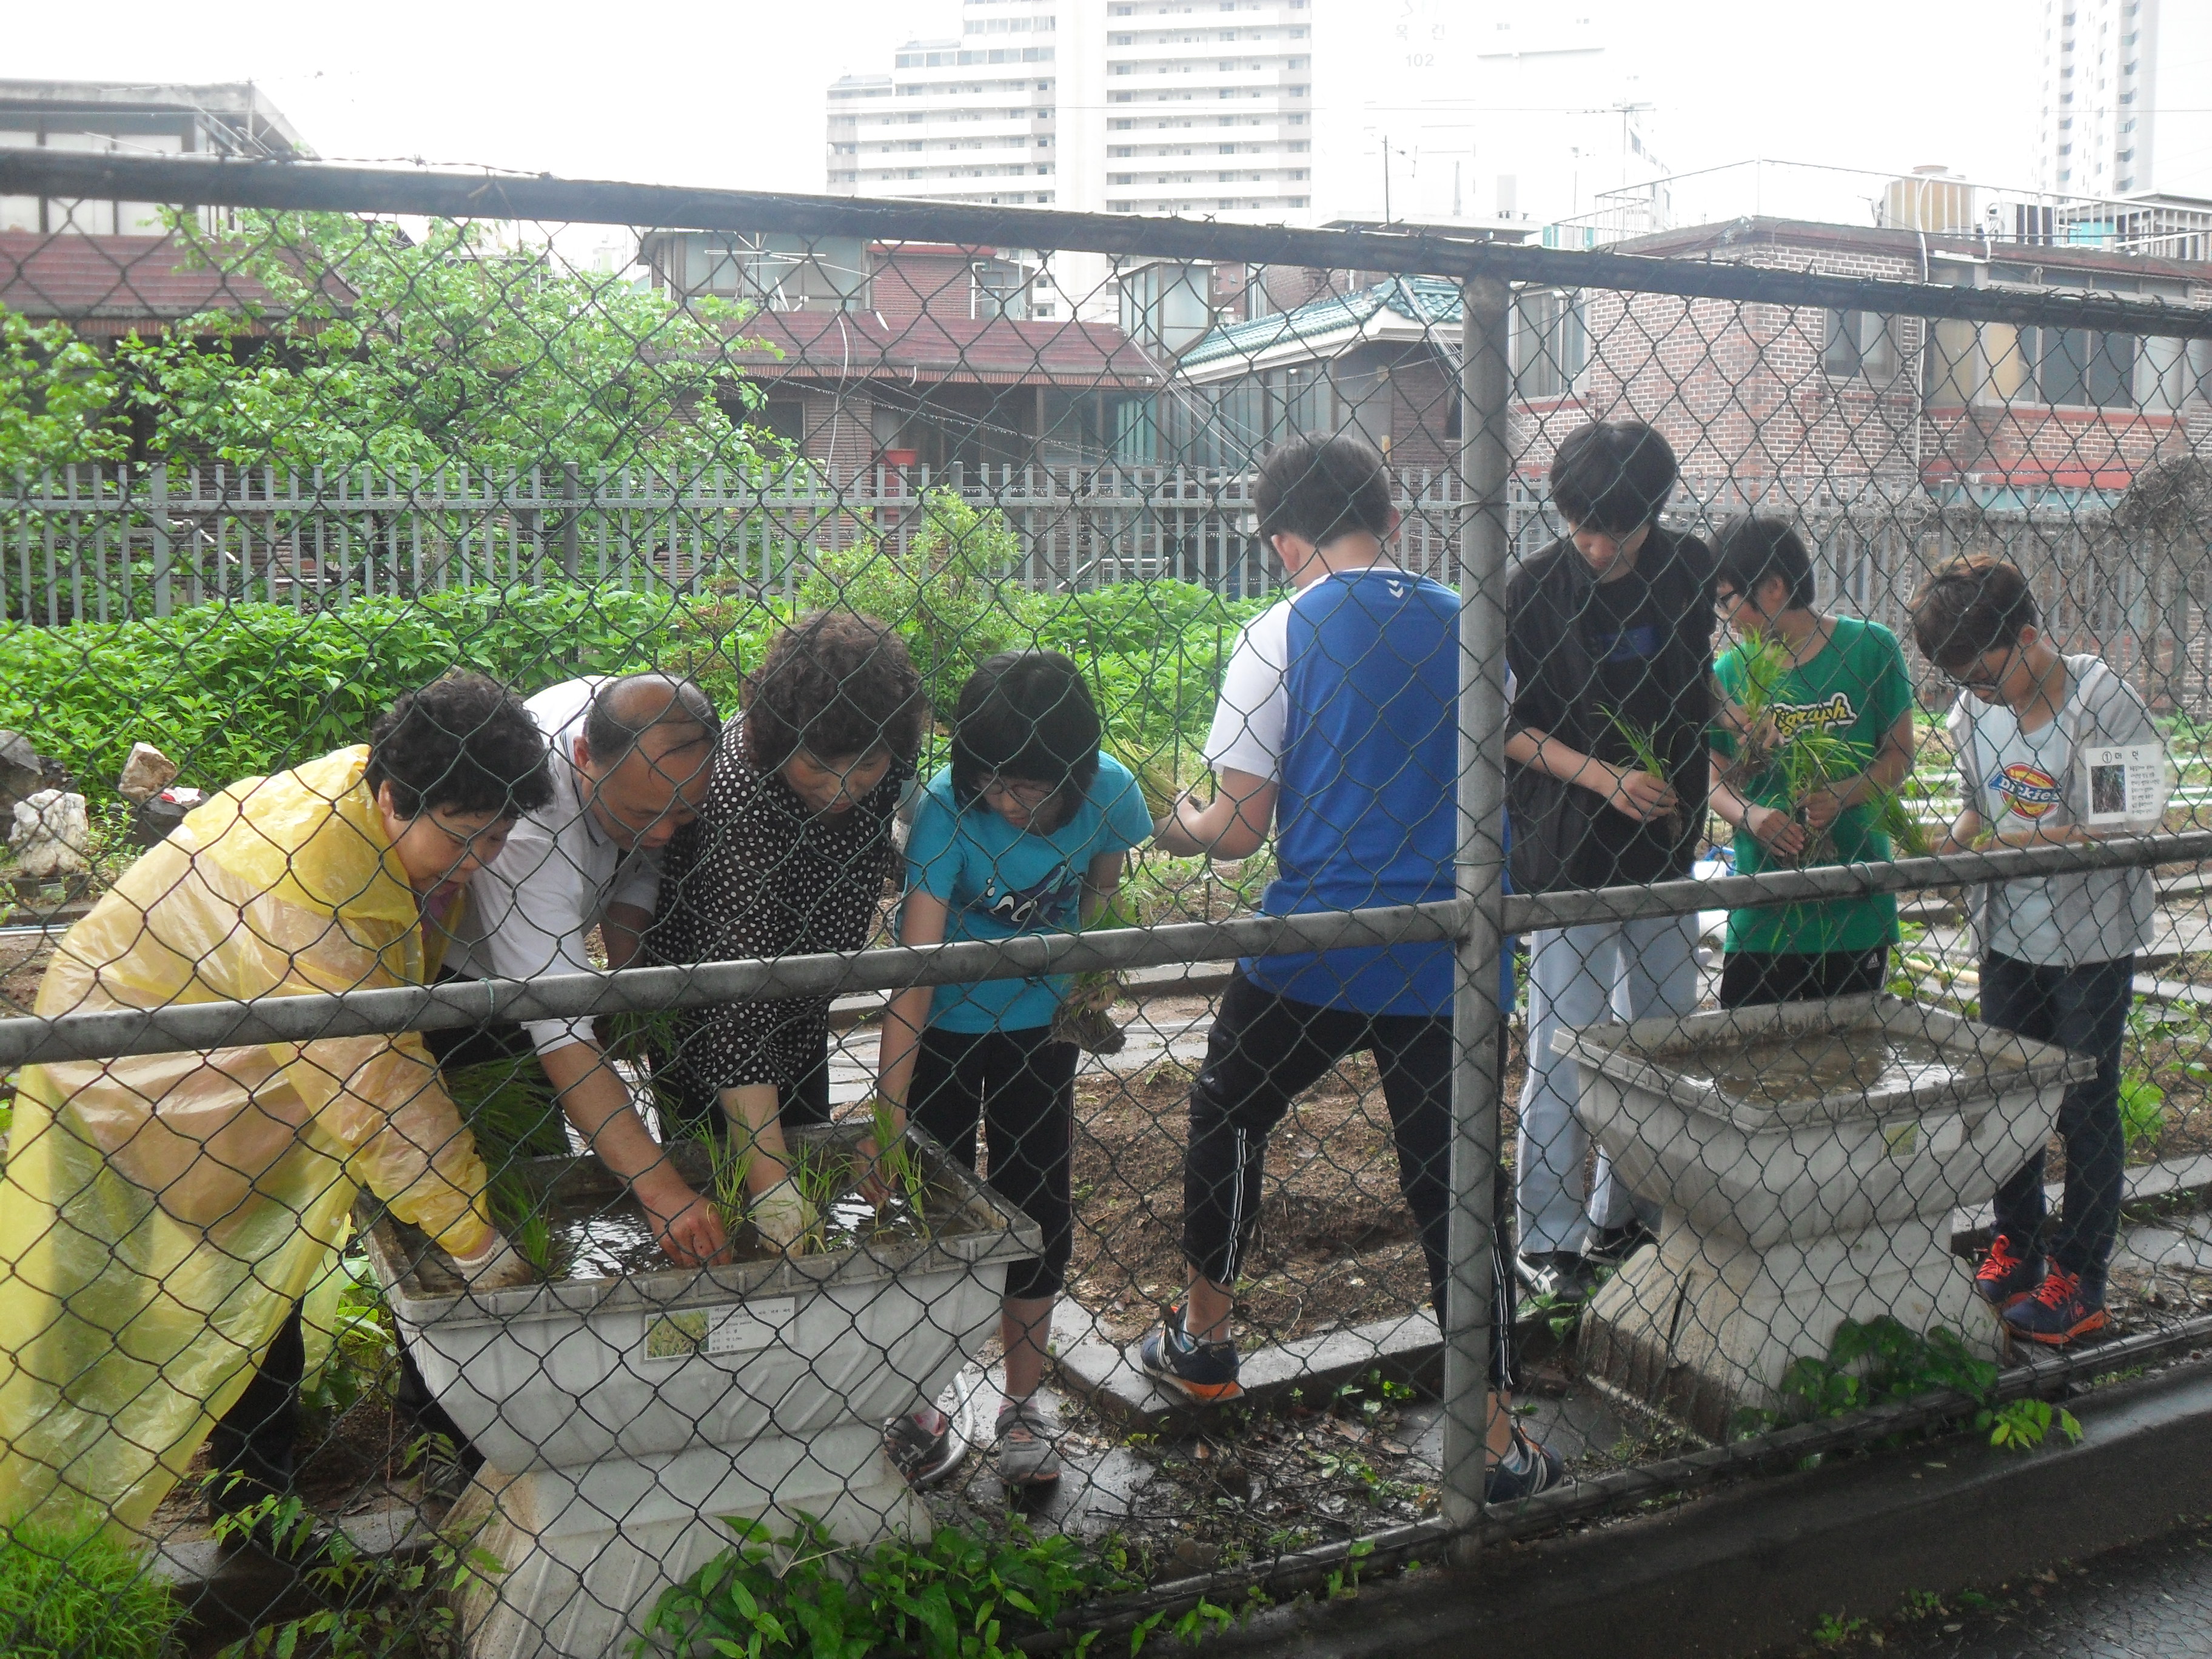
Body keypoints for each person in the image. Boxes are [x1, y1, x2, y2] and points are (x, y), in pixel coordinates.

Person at [0, 674, 551, 1535]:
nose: (480, 862)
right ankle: (150, 1509)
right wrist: (476, 1242)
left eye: (498, 839)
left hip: (230, 1051)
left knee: (254, 1280)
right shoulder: (314, 879)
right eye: (464, 838)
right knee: (156, 1292)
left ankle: (257, 1503)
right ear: (395, 797)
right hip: (122, 1057)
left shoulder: (380, 806)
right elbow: (375, 1082)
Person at [1136, 432, 1560, 1503]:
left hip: (1318, 941)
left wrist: (1173, 823)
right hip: (1451, 947)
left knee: (1229, 1109)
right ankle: (1497, 1435)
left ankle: (1204, 1339)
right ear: (1392, 521)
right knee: (1457, 1186)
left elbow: (1236, 828)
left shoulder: (1276, 631)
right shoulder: (1473, 623)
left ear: (1281, 540)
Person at [874, 651, 1152, 1489]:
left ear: (1072, 772)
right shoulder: (945, 812)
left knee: (1039, 1199)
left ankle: (1023, 1405)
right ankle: (921, 1395)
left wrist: (1089, 987)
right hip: (948, 1027)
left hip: (1042, 1030)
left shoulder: (1109, 791)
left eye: (1029, 789)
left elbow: (1102, 894)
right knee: (936, 1202)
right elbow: (915, 975)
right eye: (990, 779)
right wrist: (887, 1121)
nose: (1005, 801)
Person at [1913, 555, 2163, 1346]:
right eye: (1964, 683)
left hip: (2090, 942)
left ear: (2027, 638)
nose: (1977, 694)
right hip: (2009, 937)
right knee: (2007, 1101)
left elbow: (2127, 822)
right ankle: (2015, 1247)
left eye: (1986, 677)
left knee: (2086, 1106)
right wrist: (1940, 847)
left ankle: (2078, 1276)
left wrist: (2021, 841)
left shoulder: (2102, 702)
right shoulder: (1974, 710)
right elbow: (1971, 813)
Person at [1505, 420, 1715, 1304]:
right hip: (1571, 848)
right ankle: (1546, 1237)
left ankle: (1626, 1213)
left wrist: (1729, 719)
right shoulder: (1533, 589)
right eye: (1579, 525)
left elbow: (1692, 677)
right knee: (1566, 1048)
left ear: (1652, 515)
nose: (1593, 545)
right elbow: (1505, 729)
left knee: (1662, 1040)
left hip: (1664, 844)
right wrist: (1603, 777)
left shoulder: (1689, 568)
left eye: (1612, 530)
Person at [649, 612, 927, 1250]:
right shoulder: (738, 789)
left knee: (809, 1175)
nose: (844, 788)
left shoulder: (880, 768)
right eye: (820, 769)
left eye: (866, 768)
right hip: (703, 1025)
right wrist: (771, 1185)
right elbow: (735, 996)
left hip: (802, 1011)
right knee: (726, 1201)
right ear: (779, 743)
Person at [436, 672, 728, 1266]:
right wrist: (665, 1192)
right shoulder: (530, 821)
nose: (665, 833)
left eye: (684, 813)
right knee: (507, 1181)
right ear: (583, 756)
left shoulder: (652, 734)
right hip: (465, 982)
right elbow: (562, 1034)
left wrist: (625, 975)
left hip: (554, 948)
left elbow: (647, 852)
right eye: (646, 812)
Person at [1706, 517, 1915, 1006]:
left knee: (1851, 1060)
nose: (1723, 615)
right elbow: (1712, 778)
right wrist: (1752, 815)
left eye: (1727, 598)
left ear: (1774, 587)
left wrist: (1844, 795)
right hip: (1763, 909)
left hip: (1856, 903)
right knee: (1748, 1060)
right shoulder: (1729, 672)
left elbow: (1900, 754)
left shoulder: (1871, 648)